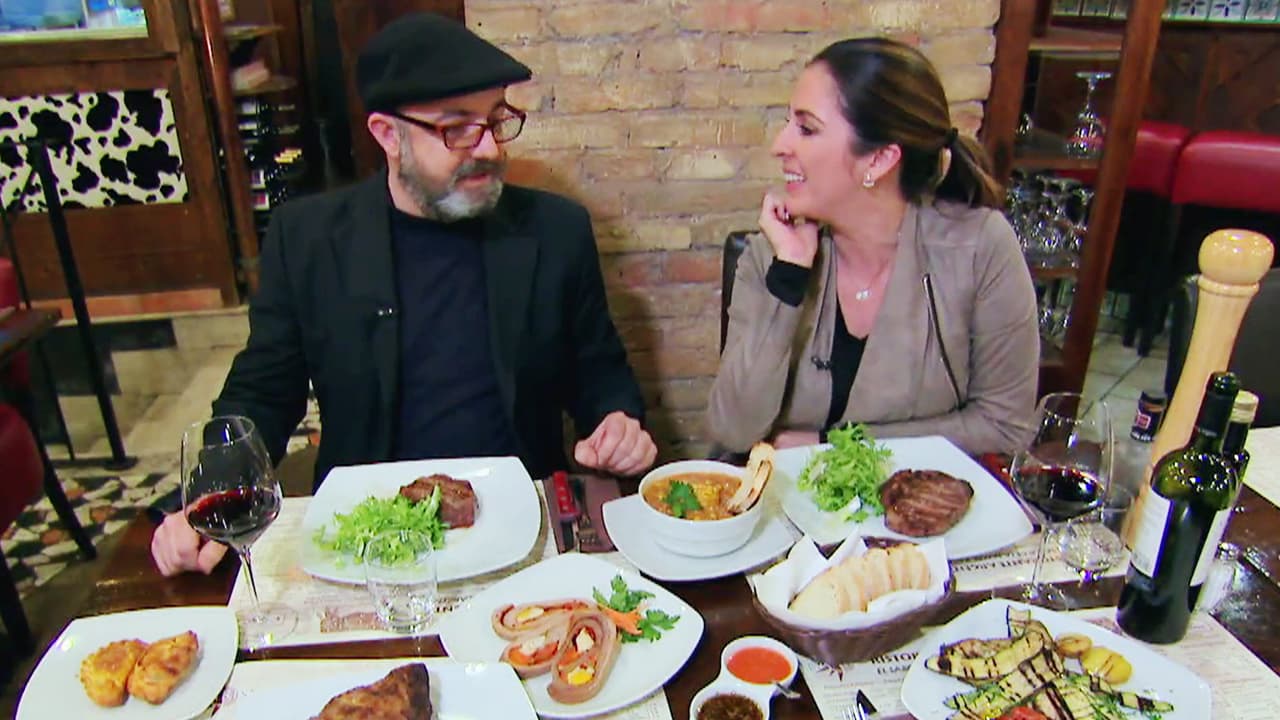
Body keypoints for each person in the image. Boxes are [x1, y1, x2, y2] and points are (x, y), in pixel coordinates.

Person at [152, 13, 656, 576]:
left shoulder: (555, 231)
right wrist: (210, 495)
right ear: (388, 135)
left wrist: (617, 424)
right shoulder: (309, 240)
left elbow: (598, 371)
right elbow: (263, 390)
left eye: (496, 120)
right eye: (457, 128)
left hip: (519, 523)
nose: (489, 148)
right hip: (367, 533)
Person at [708, 37, 1038, 456]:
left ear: (878, 160)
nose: (779, 145)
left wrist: (834, 446)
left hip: (920, 494)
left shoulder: (980, 250)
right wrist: (789, 276)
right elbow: (733, 432)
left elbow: (1004, 426)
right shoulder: (768, 257)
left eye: (806, 129)